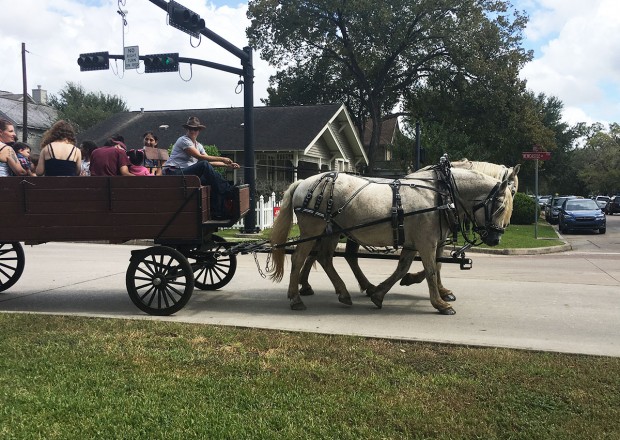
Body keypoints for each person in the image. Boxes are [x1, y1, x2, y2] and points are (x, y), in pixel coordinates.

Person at [163, 116, 239, 218]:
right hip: (174, 173)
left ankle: (218, 213)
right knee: (204, 165)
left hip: (185, 173)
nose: (192, 131)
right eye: (190, 128)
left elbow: (208, 160)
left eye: (195, 129)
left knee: (212, 180)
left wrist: (228, 165)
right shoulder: (183, 140)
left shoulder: (198, 145)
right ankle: (228, 190)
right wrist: (222, 159)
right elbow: (200, 157)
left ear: (198, 131)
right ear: (187, 129)